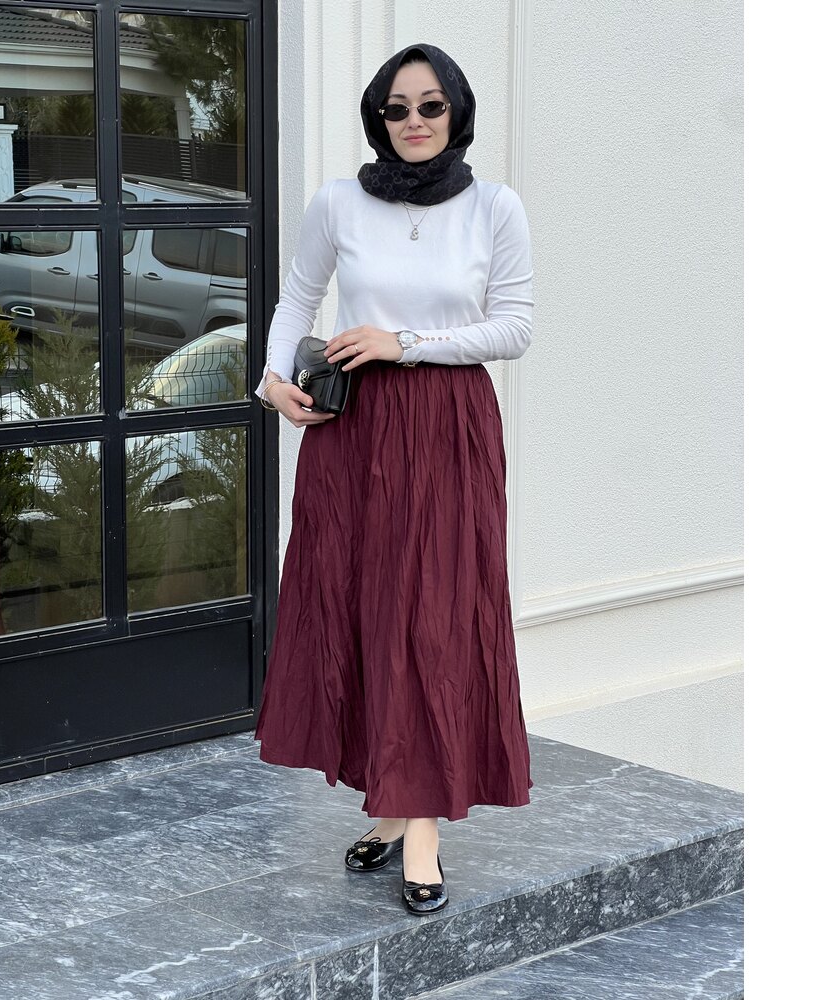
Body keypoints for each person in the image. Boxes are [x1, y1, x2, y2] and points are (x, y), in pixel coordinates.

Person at [253, 43, 534, 915]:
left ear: (457, 112)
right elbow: (297, 299)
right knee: (365, 607)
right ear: (378, 117)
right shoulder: (338, 202)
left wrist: (403, 343)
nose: (414, 121)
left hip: (447, 427)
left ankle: (420, 828)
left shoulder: (494, 206)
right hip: (354, 430)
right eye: (398, 108)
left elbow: (515, 327)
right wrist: (273, 382)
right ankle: (393, 799)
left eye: (431, 105)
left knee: (435, 616)